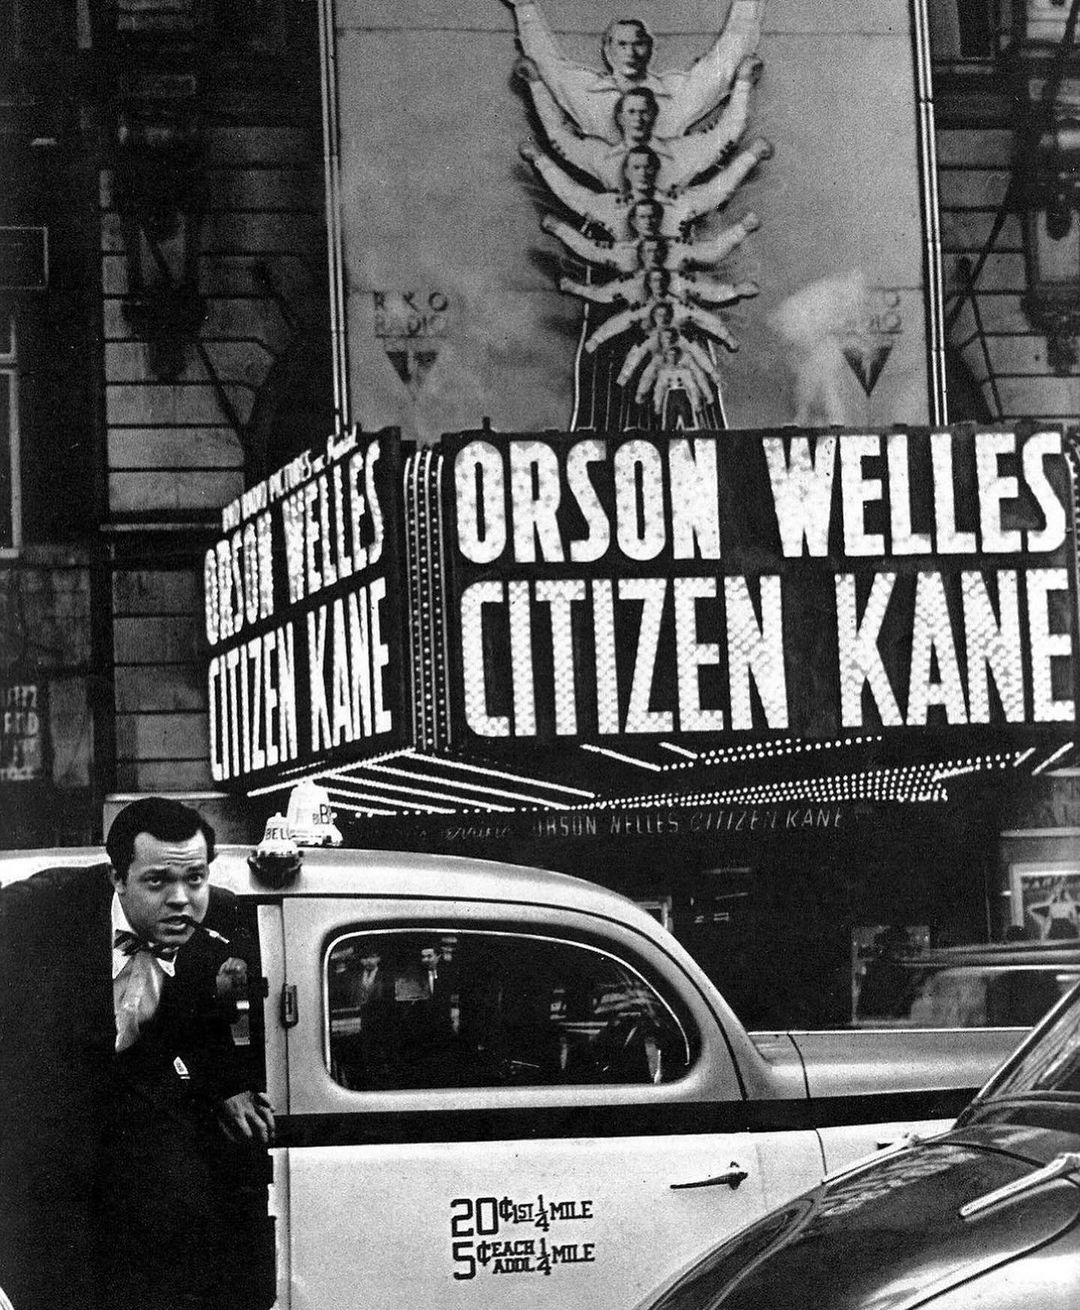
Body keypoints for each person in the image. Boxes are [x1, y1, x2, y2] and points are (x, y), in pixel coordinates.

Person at [0, 796, 275, 1310]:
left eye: (195, 878)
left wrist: (227, 1083)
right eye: (158, 882)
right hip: (34, 1158)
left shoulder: (223, 923)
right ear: (116, 879)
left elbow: (209, 1013)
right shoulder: (34, 914)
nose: (181, 899)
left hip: (127, 1153)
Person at [503, 0, 764, 139]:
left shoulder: (675, 95)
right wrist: (524, 7)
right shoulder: (588, 94)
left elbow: (726, 60)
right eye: (622, 44)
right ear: (608, 50)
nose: (630, 51)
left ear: (651, 48)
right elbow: (547, 63)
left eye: (639, 43)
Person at [519, 54, 763, 192]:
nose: (639, 117)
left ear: (655, 116)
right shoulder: (600, 157)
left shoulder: (682, 154)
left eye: (645, 112)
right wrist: (536, 84)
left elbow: (728, 133)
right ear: (620, 118)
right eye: (632, 112)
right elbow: (558, 135)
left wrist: (742, 84)